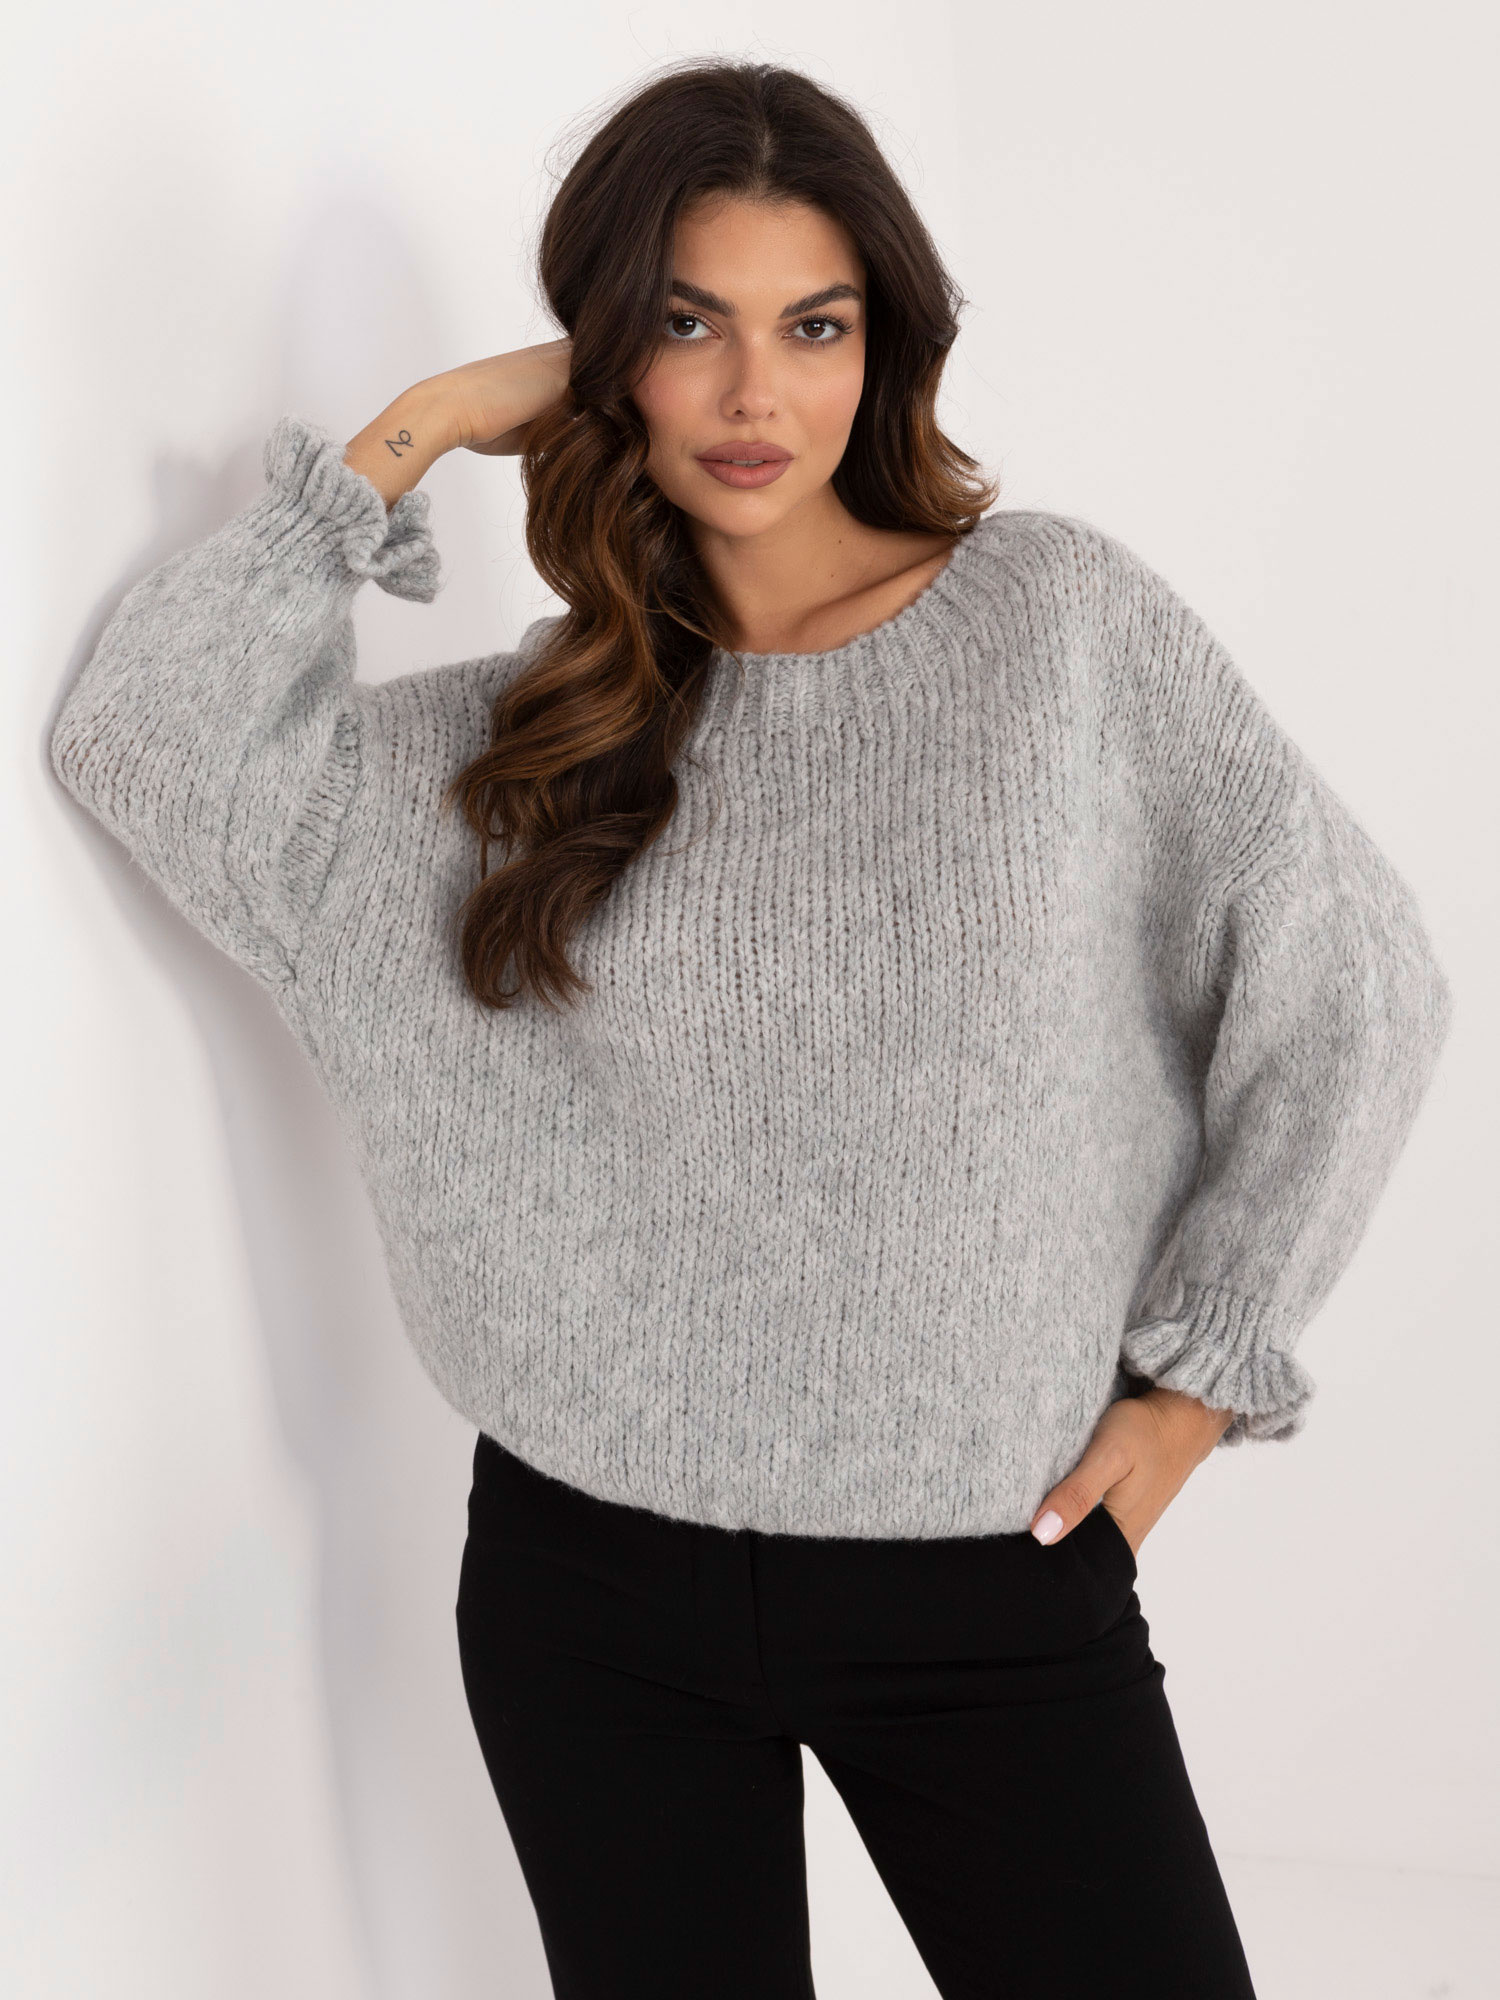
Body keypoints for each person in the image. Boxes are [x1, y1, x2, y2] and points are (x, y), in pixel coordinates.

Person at [49, 56, 1452, 2000]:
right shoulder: (527, 733)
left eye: (814, 327)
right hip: (584, 1587)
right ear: (604, 353)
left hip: (984, 1576)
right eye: (687, 323)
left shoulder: (1059, 632)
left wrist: (1197, 1384)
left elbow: (1356, 977)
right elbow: (146, 743)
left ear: (886, 349)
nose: (752, 396)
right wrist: (419, 426)